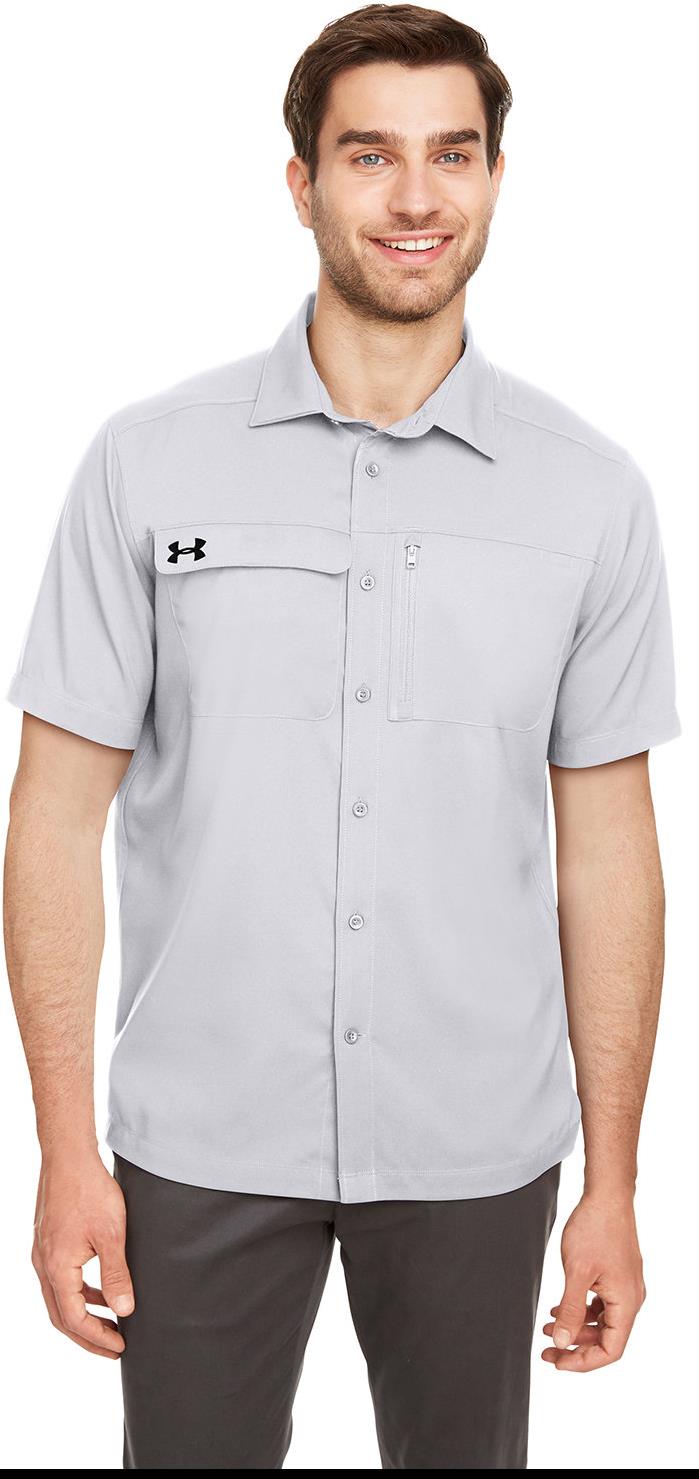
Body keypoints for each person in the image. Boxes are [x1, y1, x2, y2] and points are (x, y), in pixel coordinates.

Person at [3, 3, 682, 1470]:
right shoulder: (144, 465)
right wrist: (61, 1153)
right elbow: (51, 818)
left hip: (474, 1146)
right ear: (301, 183)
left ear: (496, 176)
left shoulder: (591, 496)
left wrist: (616, 1180)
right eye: (370, 155)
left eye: (453, 154)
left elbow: (610, 854)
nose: (416, 196)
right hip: (197, 1143)